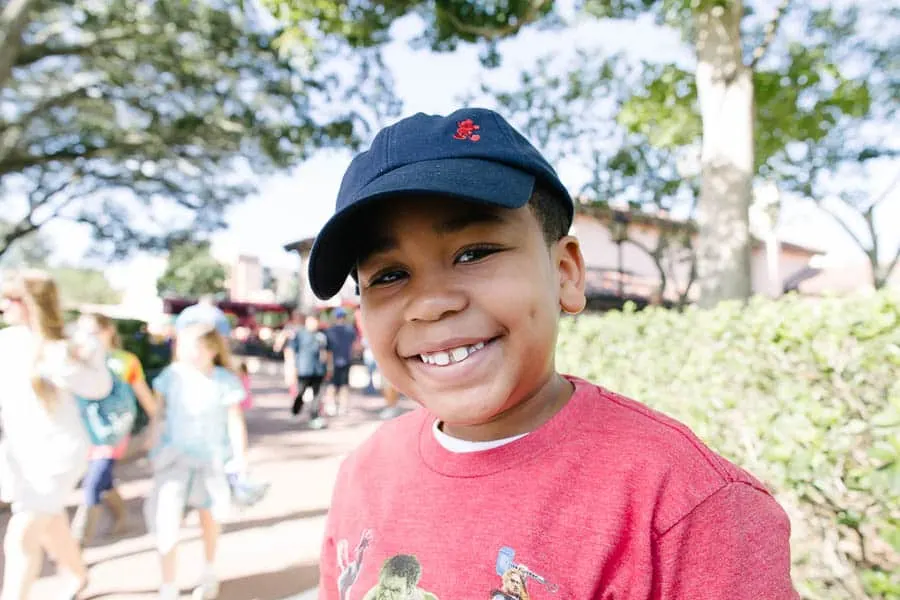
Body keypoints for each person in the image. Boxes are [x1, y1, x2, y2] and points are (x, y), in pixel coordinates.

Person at [308, 109, 799, 598]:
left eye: (473, 253)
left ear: (565, 272)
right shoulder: (363, 473)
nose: (432, 304)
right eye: (389, 275)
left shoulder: (687, 509)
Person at [0, 270, 113, 600]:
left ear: (32, 302)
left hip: (59, 452)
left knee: (22, 534)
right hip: (21, 452)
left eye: (11, 299)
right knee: (49, 522)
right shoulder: (7, 341)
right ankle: (78, 576)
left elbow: (98, 388)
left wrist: (78, 358)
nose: (3, 306)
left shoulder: (65, 346)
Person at [144, 323, 249, 600]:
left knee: (209, 519)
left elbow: (234, 422)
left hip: (212, 462)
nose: (191, 353)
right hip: (173, 460)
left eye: (197, 346)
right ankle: (168, 585)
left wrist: (239, 459)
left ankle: (209, 572)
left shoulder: (225, 380)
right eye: (185, 346)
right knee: (166, 521)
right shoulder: (170, 376)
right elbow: (159, 415)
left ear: (213, 349)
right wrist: (153, 448)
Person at [71, 313, 159, 545]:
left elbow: (145, 397)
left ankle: (77, 544)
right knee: (103, 479)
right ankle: (121, 516)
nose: (88, 337)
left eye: (93, 331)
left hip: (113, 433)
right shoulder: (77, 359)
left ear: (108, 330)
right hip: (85, 431)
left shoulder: (125, 361)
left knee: (93, 482)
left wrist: (156, 428)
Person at [283, 312, 331, 429]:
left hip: (318, 370)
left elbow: (326, 352)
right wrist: (290, 368)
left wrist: (328, 366)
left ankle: (314, 416)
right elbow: (290, 351)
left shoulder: (321, 336)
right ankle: (295, 411)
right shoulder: (299, 334)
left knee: (318, 395)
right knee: (300, 392)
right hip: (304, 369)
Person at [324, 307, 358, 416]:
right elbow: (353, 347)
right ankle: (342, 407)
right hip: (346, 360)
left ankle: (331, 406)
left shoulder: (329, 331)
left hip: (333, 361)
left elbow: (327, 350)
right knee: (344, 385)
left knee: (331, 385)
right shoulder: (350, 330)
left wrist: (328, 365)